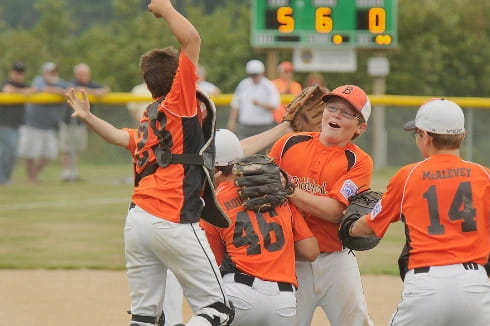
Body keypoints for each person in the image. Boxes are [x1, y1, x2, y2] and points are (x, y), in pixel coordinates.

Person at [66, 1, 234, 325]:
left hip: (136, 221)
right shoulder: (178, 102)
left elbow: (116, 136)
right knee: (218, 311)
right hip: (171, 217)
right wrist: (167, 8)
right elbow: (193, 39)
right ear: (179, 79)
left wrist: (88, 117)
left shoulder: (148, 119)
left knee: (145, 316)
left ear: (148, 85)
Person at [348, 98, 490, 326]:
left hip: (425, 286)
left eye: (416, 134)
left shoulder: (408, 175)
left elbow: (370, 225)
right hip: (474, 286)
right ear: (463, 135)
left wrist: (348, 225)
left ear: (426, 137)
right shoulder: (486, 176)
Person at [268, 85, 375, 326]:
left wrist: (290, 190)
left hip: (336, 260)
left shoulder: (359, 161)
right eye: (332, 107)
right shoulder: (288, 144)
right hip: (291, 258)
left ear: (360, 127)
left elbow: (334, 211)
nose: (335, 115)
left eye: (347, 113)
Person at [202, 128, 319, 326]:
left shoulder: (214, 204)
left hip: (239, 295)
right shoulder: (277, 194)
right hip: (284, 304)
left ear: (216, 171)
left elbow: (213, 265)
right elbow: (310, 251)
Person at [18, 62, 69, 184]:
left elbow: (69, 90)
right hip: (33, 123)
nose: (52, 74)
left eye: (54, 72)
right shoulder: (38, 80)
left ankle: (33, 176)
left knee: (49, 155)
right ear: (44, 73)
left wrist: (59, 90)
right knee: (31, 154)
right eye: (49, 72)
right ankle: (31, 179)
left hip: (49, 126)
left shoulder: (61, 82)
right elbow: (45, 89)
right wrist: (58, 91)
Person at [60, 63, 110, 182]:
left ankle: (74, 172)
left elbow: (106, 90)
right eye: (81, 73)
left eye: (86, 73)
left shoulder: (91, 84)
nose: (84, 76)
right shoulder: (72, 83)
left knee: (77, 148)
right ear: (76, 74)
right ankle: (66, 173)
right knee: (67, 148)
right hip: (69, 121)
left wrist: (88, 91)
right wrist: (91, 92)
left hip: (82, 123)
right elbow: (68, 90)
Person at [226, 59, 280, 139]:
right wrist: (232, 121)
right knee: (244, 150)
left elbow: (274, 106)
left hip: (264, 127)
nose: (254, 77)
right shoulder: (243, 84)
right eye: (252, 75)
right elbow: (236, 104)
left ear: (262, 73)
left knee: (264, 151)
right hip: (245, 127)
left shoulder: (269, 86)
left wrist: (260, 104)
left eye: (256, 74)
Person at [0, 62, 34, 185]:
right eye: (16, 72)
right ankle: (3, 178)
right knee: (8, 152)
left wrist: (21, 91)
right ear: (11, 72)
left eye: (21, 73)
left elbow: (33, 90)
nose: (18, 75)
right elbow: (7, 90)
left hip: (17, 125)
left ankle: (5, 177)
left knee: (11, 153)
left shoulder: (24, 85)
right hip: (4, 124)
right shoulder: (6, 83)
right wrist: (22, 92)